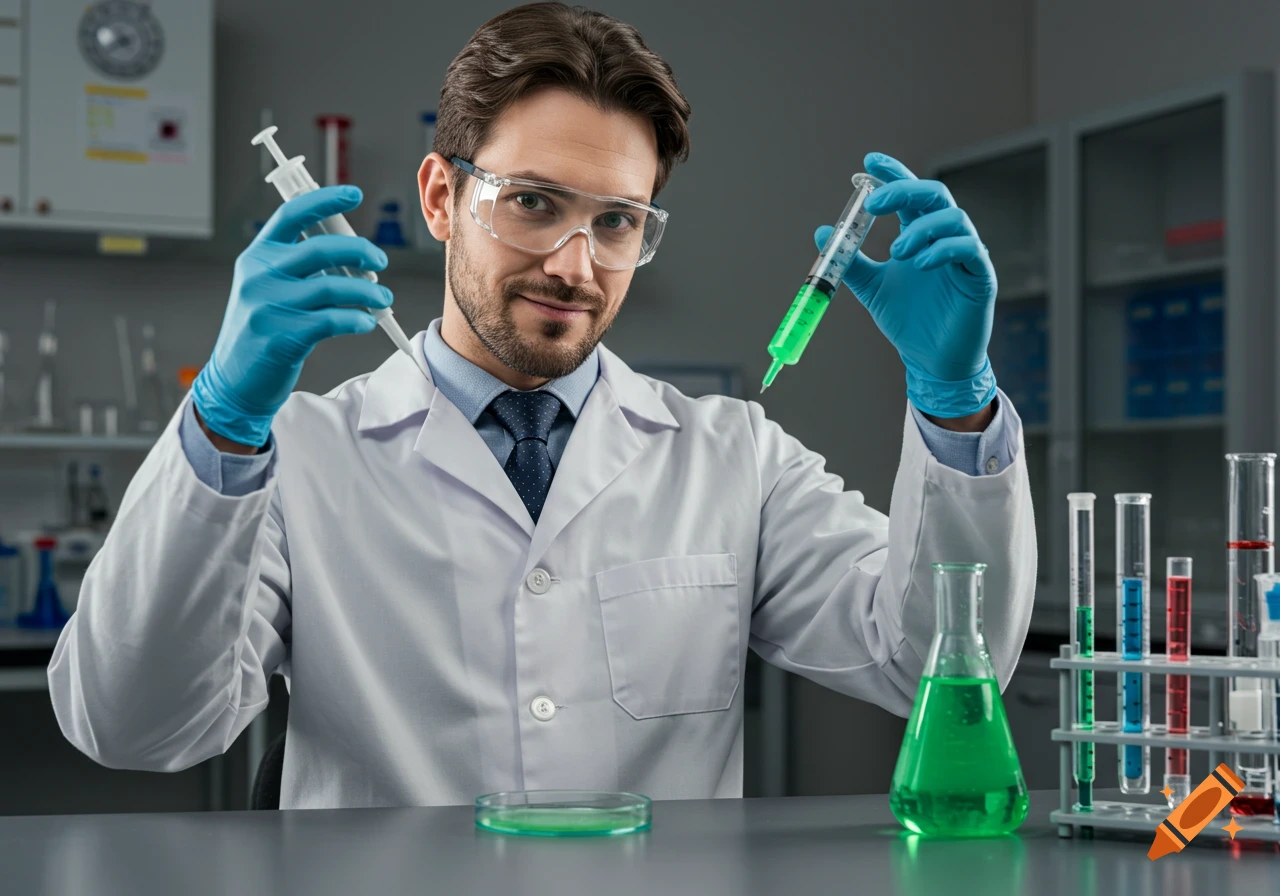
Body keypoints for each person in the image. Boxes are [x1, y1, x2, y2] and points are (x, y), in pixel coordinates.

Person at [49, 2, 1035, 808]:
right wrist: (222, 420)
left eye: (616, 222)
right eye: (532, 202)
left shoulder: (731, 455)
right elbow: (132, 725)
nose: (574, 262)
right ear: (440, 199)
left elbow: (938, 674)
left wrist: (953, 402)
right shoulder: (301, 453)